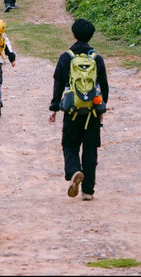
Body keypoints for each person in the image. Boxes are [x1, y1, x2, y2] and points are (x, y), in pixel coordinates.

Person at [48, 18, 109, 201]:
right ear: (91, 36)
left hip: (72, 111)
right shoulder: (96, 59)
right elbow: (104, 87)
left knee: (69, 145)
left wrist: (54, 108)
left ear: (73, 35)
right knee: (91, 150)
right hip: (91, 111)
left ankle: (74, 171)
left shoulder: (66, 57)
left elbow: (58, 83)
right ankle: (88, 191)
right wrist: (101, 110)